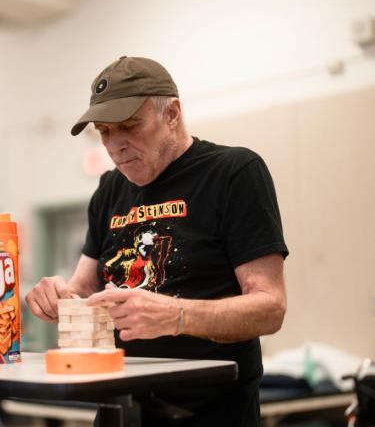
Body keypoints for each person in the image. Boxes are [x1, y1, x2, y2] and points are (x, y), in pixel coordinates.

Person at [25, 56, 289, 426]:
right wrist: (57, 296)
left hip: (210, 412)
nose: (114, 146)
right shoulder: (109, 188)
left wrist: (176, 315)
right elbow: (84, 289)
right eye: (103, 131)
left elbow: (270, 307)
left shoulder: (234, 173)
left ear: (172, 114)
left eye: (129, 126)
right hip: (121, 406)